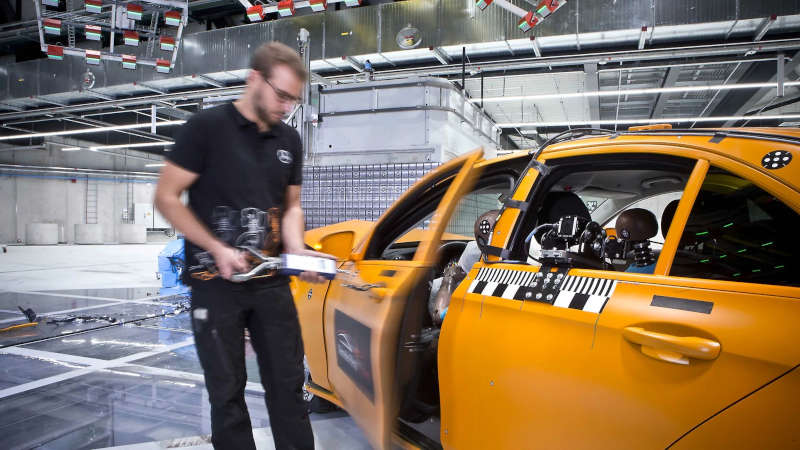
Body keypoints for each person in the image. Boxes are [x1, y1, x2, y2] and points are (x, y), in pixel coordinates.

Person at [155, 41, 329, 450]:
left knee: (288, 389)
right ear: (255, 79)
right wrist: (215, 247)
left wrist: (297, 249)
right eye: (281, 95)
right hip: (214, 285)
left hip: (270, 284)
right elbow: (166, 196)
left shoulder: (289, 140)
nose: (287, 107)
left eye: (294, 100)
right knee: (227, 394)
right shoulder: (206, 129)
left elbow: (291, 208)